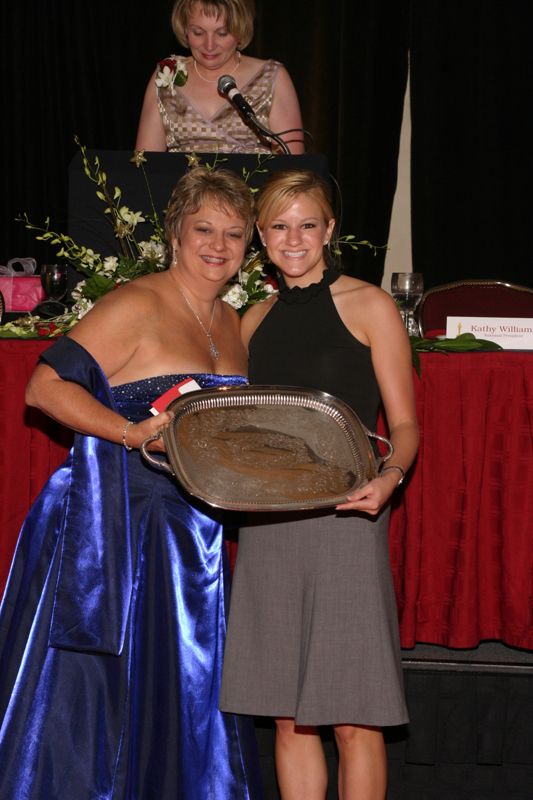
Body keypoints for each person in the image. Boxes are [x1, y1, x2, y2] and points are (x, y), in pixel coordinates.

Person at [0, 167, 262, 799]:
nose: (217, 245)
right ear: (175, 233)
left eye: (233, 233)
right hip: (110, 519)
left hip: (189, 532)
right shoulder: (137, 302)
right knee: (85, 697)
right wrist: (131, 432)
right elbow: (44, 388)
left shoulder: (232, 321)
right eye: (204, 228)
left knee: (178, 689)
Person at [219, 170, 419, 799]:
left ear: (330, 229)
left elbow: (406, 424)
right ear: (261, 236)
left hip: (347, 516)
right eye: (279, 225)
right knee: (287, 716)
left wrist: (390, 478)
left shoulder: (370, 304)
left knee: (355, 713)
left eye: (308, 223)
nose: (294, 238)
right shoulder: (251, 319)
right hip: (270, 522)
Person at [135, 0, 304, 154]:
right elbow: (145, 168)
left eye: (222, 33)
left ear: (241, 29)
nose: (209, 45)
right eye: (198, 32)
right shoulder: (167, 76)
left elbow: (293, 171)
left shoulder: (271, 78)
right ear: (184, 28)